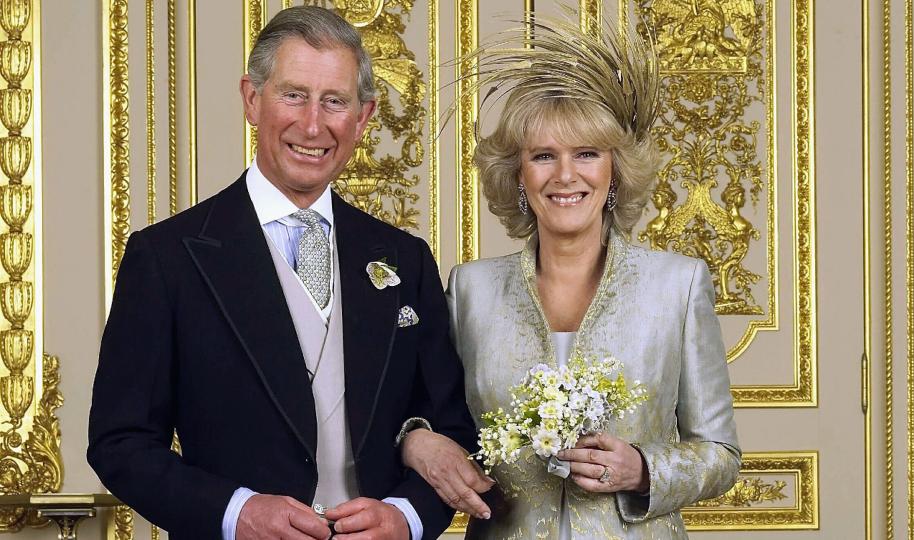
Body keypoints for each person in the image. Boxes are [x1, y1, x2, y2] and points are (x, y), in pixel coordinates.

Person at [87, 6, 476, 540]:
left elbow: (452, 428)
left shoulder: (404, 260)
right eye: (293, 95)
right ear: (252, 99)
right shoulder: (167, 258)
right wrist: (237, 512)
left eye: (334, 102)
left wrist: (405, 519)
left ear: (362, 118)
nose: (313, 124)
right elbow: (120, 442)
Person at [400, 14, 741, 539]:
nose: (565, 176)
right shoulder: (471, 291)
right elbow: (433, 420)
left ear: (614, 170)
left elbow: (720, 454)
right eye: (543, 156)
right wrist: (416, 439)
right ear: (518, 175)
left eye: (586, 154)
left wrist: (643, 469)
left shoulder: (679, 285)